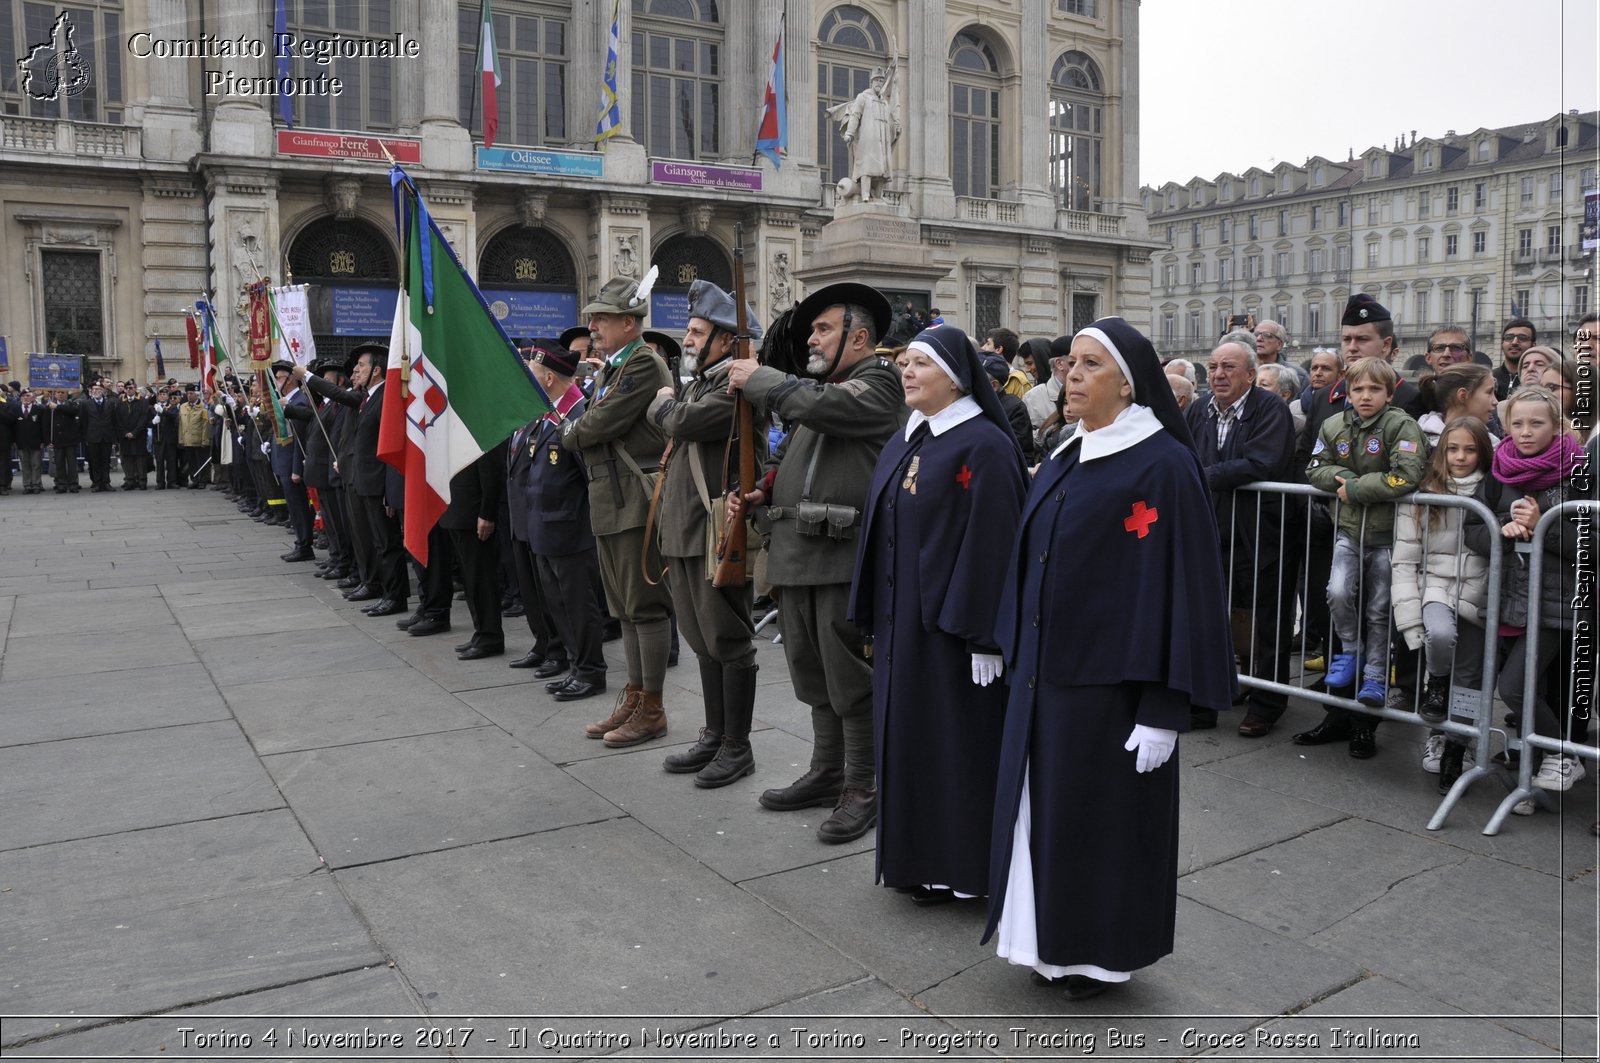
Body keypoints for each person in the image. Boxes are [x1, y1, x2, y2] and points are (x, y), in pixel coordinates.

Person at [982, 317, 1235, 1000]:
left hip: (1114, 686)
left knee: (1103, 825)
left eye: (1090, 365)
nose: (1072, 375)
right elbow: (1029, 555)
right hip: (1048, 675)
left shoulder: (1162, 463)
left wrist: (1164, 705)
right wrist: (1007, 643)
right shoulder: (1068, 449)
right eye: (1070, 363)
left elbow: (1184, 589)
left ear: (1128, 383)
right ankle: (1046, 941)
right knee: (1049, 817)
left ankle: (1098, 954)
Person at [849, 325, 1025, 905]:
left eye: (920, 364)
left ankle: (963, 868)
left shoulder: (984, 445)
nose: (906, 372)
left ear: (954, 375)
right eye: (903, 363)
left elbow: (993, 544)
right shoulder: (909, 436)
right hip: (904, 623)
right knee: (908, 743)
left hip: (953, 632)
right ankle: (917, 862)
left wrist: (985, 636)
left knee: (955, 746)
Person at [727, 281, 904, 842]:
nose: (812, 337)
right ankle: (828, 771)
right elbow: (796, 453)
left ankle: (864, 784)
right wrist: (765, 490)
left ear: (858, 336)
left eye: (824, 328)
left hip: (841, 556)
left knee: (849, 676)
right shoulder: (821, 390)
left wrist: (761, 379)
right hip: (799, 554)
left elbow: (819, 407)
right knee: (811, 671)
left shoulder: (877, 382)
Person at [647, 280, 766, 787]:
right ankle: (716, 734)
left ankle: (738, 746)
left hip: (717, 530)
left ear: (725, 341)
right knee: (700, 637)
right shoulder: (703, 382)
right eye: (691, 330)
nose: (688, 339)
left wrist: (661, 405)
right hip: (688, 529)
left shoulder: (734, 390)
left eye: (698, 332)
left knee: (727, 637)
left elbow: (685, 422)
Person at [561, 274, 676, 748]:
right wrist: (579, 427)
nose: (594, 326)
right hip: (612, 496)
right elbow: (587, 423)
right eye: (593, 318)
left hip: (636, 497)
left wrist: (575, 430)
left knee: (645, 607)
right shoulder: (614, 366)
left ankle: (651, 708)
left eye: (602, 318)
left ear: (630, 322)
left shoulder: (643, 364)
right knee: (625, 609)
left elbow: (592, 426)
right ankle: (634, 696)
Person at [1464, 387, 1592, 800]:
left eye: (1536, 423)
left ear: (1557, 426)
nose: (1525, 432)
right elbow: (1474, 532)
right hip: (1509, 600)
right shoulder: (1499, 471)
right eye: (1516, 423)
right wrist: (1502, 530)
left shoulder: (1578, 472)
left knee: (1514, 688)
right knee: (1525, 688)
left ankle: (1564, 754)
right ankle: (1531, 777)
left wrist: (1543, 526)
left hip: (1557, 603)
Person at [1300, 356, 1428, 757]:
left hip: (1387, 537)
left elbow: (1407, 474)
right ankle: (1352, 652)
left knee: (1377, 609)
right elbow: (1316, 467)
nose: (1366, 396)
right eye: (1358, 389)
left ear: (1390, 393)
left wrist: (1355, 488)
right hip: (1349, 531)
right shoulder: (1333, 424)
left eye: (1375, 389)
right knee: (1337, 593)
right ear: (1348, 392)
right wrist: (1346, 480)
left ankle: (1375, 674)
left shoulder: (1401, 425)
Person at [1187, 338, 1298, 737]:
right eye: (1214, 366)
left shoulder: (1271, 409)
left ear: (1250, 374)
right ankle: (1203, 703)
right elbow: (1187, 455)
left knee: (1266, 616)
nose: (1218, 374)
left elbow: (1260, 461)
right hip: (1211, 527)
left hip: (1259, 529)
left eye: (1228, 367)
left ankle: (1266, 705)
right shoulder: (1199, 409)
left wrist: (1201, 477)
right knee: (1207, 615)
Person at [1391, 416, 1493, 793]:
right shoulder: (1426, 491)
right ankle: (1436, 688)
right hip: (1436, 584)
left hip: (1482, 589)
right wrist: (1407, 610)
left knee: (1469, 676)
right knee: (1438, 635)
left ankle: (1457, 745)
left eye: (1469, 449)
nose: (1461, 457)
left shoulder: (1493, 489)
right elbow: (1404, 555)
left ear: (1482, 451)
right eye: (1453, 449)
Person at [518, 343, 608, 701]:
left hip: (571, 532)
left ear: (550, 377)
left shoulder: (579, 416)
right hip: (545, 530)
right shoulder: (548, 414)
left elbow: (592, 479)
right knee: (559, 606)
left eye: (533, 374)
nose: (528, 380)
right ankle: (576, 666)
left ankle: (591, 671)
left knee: (579, 607)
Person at [837, 69, 900, 203]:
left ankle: (877, 196)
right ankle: (865, 194)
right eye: (877, 80)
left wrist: (895, 127)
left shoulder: (884, 102)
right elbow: (855, 115)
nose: (879, 83)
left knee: (883, 169)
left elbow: (889, 120)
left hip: (883, 139)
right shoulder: (863, 97)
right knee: (867, 166)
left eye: (881, 81)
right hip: (868, 139)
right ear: (871, 82)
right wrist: (849, 133)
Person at [980, 353, 1037, 463]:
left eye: (976, 381)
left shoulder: (1015, 408)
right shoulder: (972, 404)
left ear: (994, 385)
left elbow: (1014, 450)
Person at [75, 379, 118, 492]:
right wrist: (85, 437)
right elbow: (83, 422)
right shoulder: (85, 404)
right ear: (91, 391)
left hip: (106, 436)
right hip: (92, 436)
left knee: (106, 460)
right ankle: (97, 482)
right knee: (94, 461)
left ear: (103, 390)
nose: (96, 391)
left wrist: (114, 437)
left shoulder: (110, 403)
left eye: (99, 389)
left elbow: (114, 421)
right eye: (94, 389)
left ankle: (106, 482)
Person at [11, 391, 45, 494]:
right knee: (25, 465)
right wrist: (13, 441)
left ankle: (36, 484)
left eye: (28, 396)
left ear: (32, 398)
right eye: (23, 396)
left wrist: (43, 441)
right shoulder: (15, 409)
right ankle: (27, 485)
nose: (26, 398)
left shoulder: (38, 409)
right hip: (21, 442)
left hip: (36, 442)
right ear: (20, 398)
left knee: (36, 464)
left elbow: (43, 427)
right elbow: (12, 427)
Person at [1494, 318, 1536, 398]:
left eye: (1522, 338)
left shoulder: (1537, 380)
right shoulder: (1489, 379)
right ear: (1502, 343)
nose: (1514, 342)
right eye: (1509, 337)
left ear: (1533, 345)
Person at [178, 386, 211, 489]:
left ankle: (202, 480)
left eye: (191, 393)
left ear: (197, 395)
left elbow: (205, 425)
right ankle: (194, 479)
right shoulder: (183, 406)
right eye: (188, 393)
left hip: (199, 439)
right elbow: (181, 424)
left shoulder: (203, 407)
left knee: (201, 462)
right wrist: (181, 439)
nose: (189, 395)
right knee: (191, 462)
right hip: (188, 440)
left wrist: (205, 440)